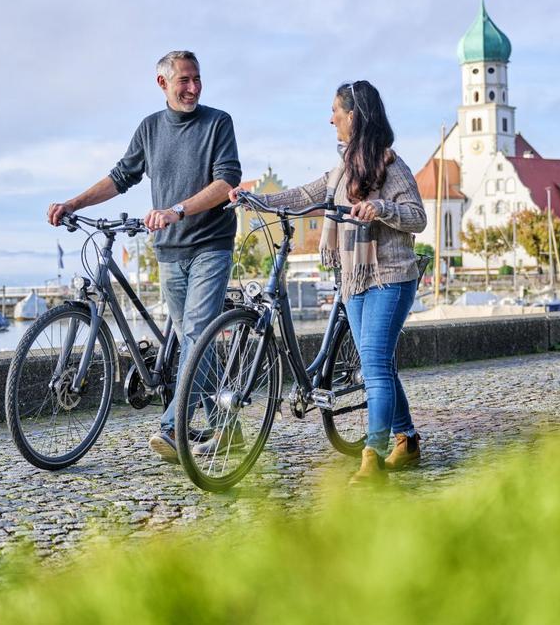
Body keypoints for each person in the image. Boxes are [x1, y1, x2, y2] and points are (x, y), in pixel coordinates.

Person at [47, 50, 241, 464]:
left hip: (211, 244)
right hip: (169, 251)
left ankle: (172, 429)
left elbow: (227, 182)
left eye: (197, 79)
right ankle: (228, 429)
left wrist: (178, 210)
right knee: (194, 339)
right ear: (162, 84)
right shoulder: (150, 129)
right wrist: (74, 203)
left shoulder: (218, 122)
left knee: (196, 334)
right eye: (183, 80)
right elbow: (121, 177)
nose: (192, 88)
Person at [231, 80, 426, 484]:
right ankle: (406, 439)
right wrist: (256, 201)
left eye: (336, 111)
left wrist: (382, 207)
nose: (331, 118)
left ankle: (372, 457)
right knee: (380, 365)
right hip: (353, 279)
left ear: (353, 116)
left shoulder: (392, 165)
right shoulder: (342, 168)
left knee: (373, 365)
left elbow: (418, 217)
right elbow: (306, 194)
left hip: (390, 276)